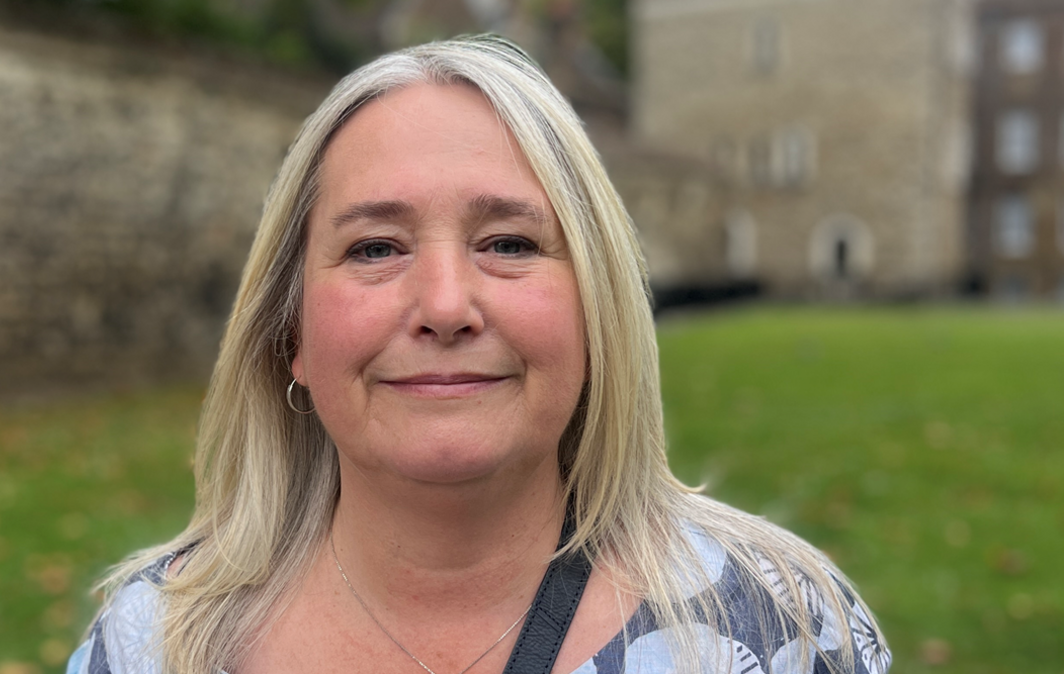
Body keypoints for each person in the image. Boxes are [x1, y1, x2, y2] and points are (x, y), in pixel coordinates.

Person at [68, 36, 890, 674]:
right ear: (292, 336)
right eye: (375, 249)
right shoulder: (155, 642)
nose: (446, 307)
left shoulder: (784, 625)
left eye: (507, 242)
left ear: (597, 309)